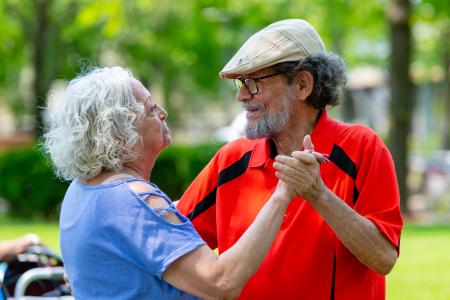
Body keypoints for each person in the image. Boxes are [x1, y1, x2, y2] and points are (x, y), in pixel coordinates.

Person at [177, 19, 403, 299]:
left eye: (253, 82)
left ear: (302, 84)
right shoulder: (231, 160)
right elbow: (173, 245)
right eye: (240, 83)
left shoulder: (362, 148)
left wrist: (318, 194)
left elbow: (384, 258)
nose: (241, 95)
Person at [42, 66, 304, 299]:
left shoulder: (81, 190)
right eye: (151, 109)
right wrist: (283, 192)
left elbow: (134, 233)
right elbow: (221, 283)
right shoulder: (133, 199)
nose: (163, 113)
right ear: (121, 130)